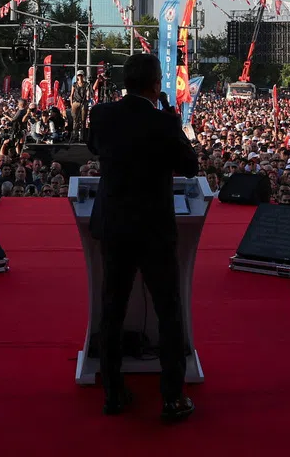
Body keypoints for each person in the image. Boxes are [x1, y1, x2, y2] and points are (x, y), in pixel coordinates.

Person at [86, 53, 198, 422]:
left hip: (115, 226)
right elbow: (190, 167)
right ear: (156, 84)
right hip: (154, 229)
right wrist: (174, 123)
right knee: (168, 311)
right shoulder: (164, 122)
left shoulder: (102, 115)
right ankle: (171, 397)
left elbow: (93, 147)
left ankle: (113, 394)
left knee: (113, 309)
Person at [70, 72, 89, 142]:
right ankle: (75, 136)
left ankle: (82, 137)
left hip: (83, 103)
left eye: (81, 75)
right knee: (75, 120)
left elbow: (88, 94)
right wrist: (71, 103)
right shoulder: (74, 84)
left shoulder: (86, 84)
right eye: (78, 75)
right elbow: (71, 94)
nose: (80, 77)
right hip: (76, 102)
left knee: (83, 121)